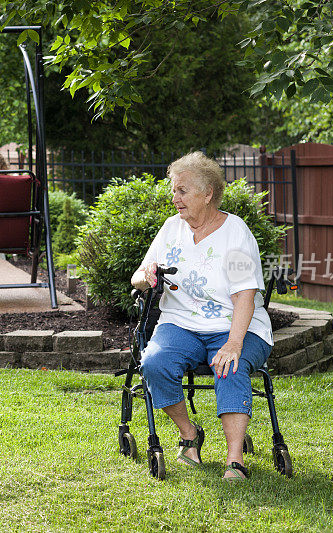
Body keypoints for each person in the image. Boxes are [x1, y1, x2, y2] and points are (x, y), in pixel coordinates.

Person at [130, 151, 273, 481]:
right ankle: (189, 433)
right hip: (180, 322)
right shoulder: (170, 229)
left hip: (236, 324)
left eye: (182, 190)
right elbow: (139, 274)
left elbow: (245, 296)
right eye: (173, 189)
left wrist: (234, 343)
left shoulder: (236, 233)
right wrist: (145, 275)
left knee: (229, 365)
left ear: (208, 193)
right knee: (155, 363)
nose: (174, 198)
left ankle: (234, 459)